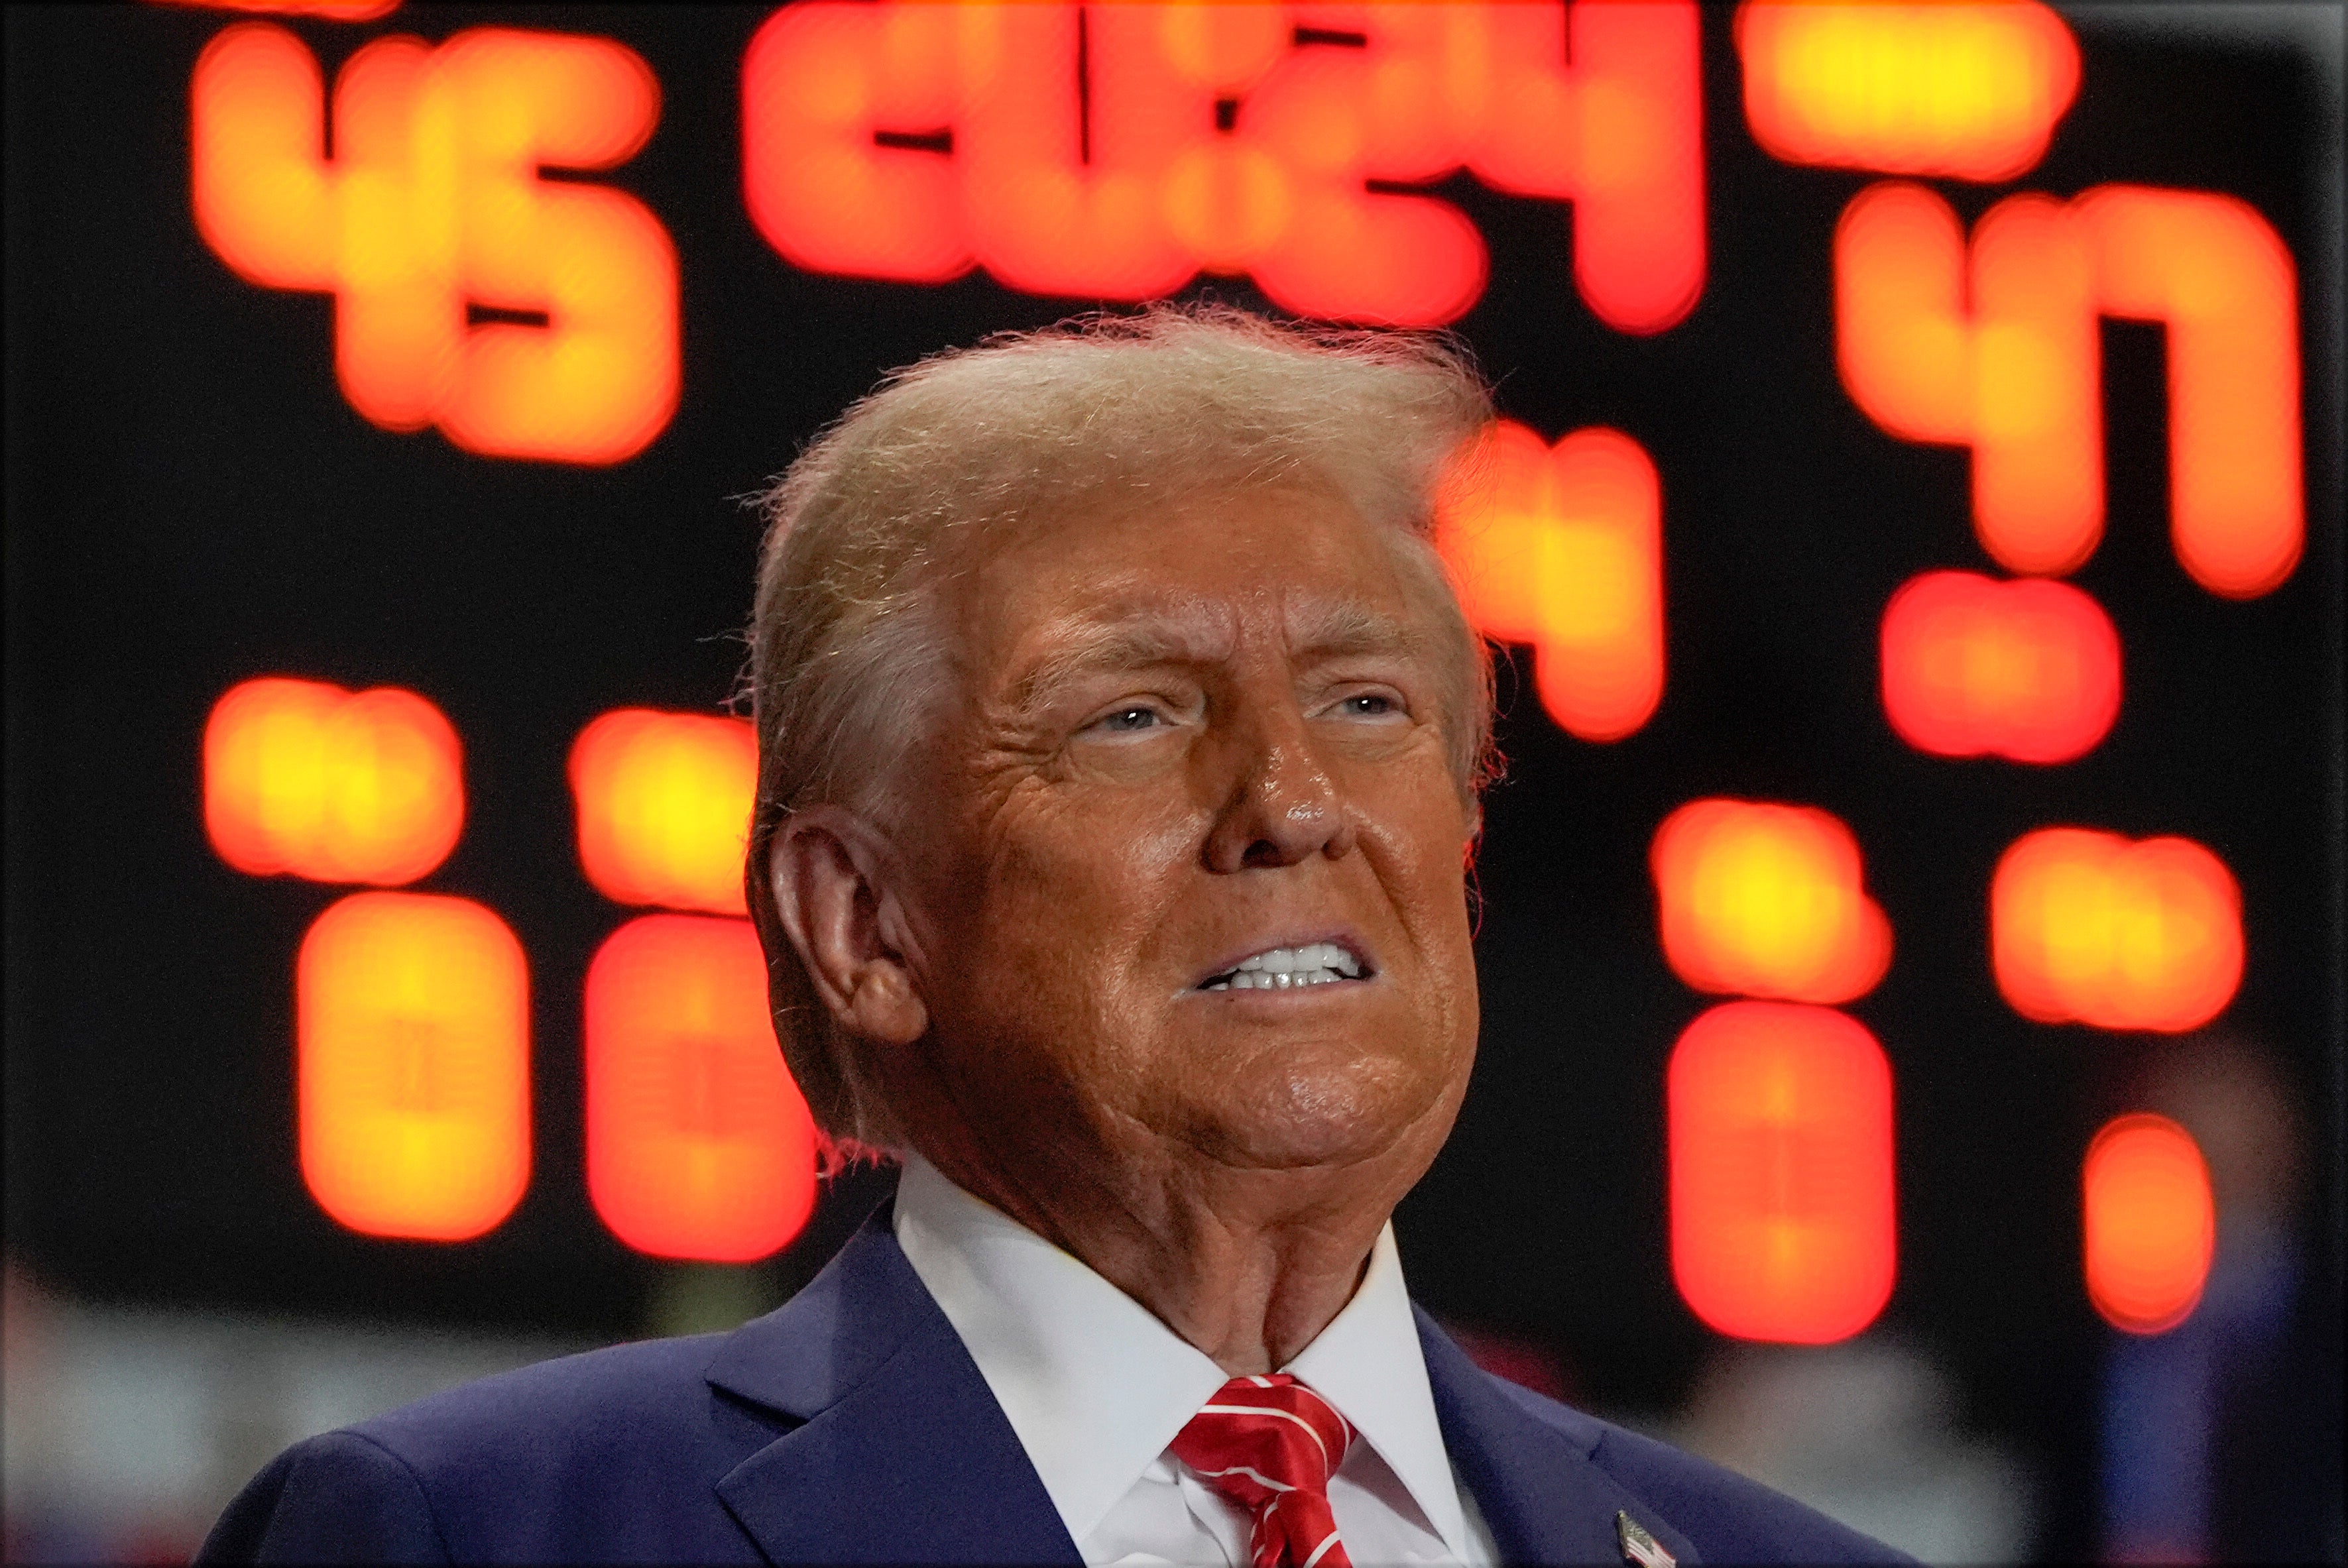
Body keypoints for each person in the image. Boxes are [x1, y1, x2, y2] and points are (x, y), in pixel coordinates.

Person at [199, 309, 1906, 1565]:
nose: (1292, 801)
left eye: (1368, 700)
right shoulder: (485, 1536)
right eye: (1135, 717)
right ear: (861, 921)